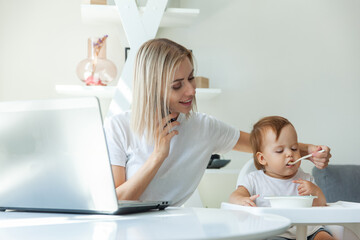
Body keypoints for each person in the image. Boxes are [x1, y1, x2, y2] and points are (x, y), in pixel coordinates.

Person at [104, 38, 331, 207]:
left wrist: (309, 150)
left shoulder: (204, 128)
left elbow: (263, 145)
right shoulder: (118, 128)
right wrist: (157, 156)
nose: (192, 90)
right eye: (177, 85)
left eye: (191, 78)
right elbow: (116, 202)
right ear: (151, 88)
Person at [229, 116, 333, 240]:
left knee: (324, 236)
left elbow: (322, 206)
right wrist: (241, 200)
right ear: (262, 158)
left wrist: (315, 192)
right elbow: (235, 196)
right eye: (279, 151)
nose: (290, 153)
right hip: (275, 232)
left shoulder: (305, 178)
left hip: (309, 230)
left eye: (294, 148)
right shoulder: (253, 180)